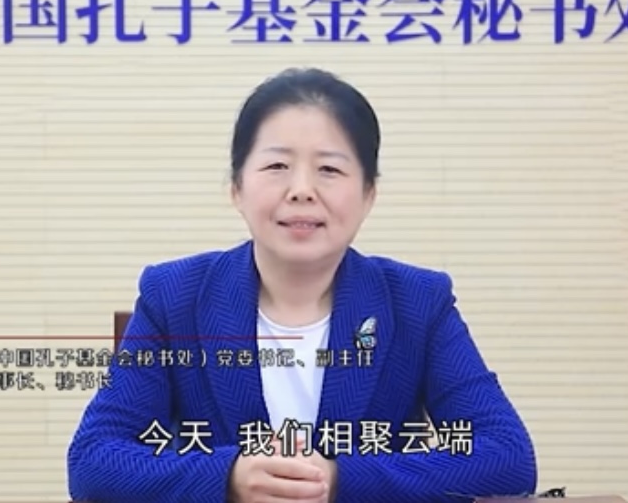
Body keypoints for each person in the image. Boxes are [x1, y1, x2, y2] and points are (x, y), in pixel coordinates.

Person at [67, 68, 538, 503]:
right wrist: (228, 477)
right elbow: (92, 460)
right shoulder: (174, 297)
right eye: (277, 166)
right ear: (237, 188)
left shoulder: (418, 302)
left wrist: (339, 479)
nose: (301, 189)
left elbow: (508, 458)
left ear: (368, 194)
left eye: (329, 169)